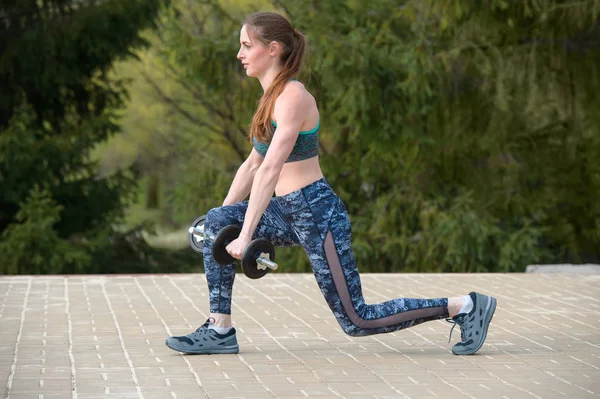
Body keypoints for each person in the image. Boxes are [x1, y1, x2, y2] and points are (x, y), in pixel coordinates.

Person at [165, 11, 496, 356]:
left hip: (317, 212)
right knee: (219, 221)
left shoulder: (292, 97)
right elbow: (253, 164)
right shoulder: (269, 98)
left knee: (357, 320)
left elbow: (271, 169)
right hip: (285, 209)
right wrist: (225, 218)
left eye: (247, 46)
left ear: (273, 48)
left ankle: (464, 306)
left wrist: (245, 235)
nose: (240, 54)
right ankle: (219, 329)